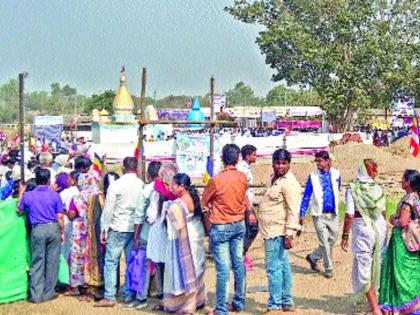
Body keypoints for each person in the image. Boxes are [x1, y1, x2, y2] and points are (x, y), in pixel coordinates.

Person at [202, 144, 248, 315]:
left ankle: (221, 308)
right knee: (238, 264)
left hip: (221, 225)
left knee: (223, 269)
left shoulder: (216, 180)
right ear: (238, 158)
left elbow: (204, 202)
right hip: (238, 223)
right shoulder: (242, 177)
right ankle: (238, 301)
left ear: (222, 159)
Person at [95, 157, 145, 307]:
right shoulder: (141, 185)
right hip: (134, 228)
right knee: (131, 262)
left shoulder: (116, 185)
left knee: (111, 262)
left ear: (124, 168)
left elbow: (108, 209)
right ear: (136, 168)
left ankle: (110, 296)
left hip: (117, 227)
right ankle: (129, 294)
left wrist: (104, 228)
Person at [257, 149, 302, 314]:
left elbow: (293, 210)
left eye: (283, 163)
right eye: (277, 163)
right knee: (282, 266)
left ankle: (275, 305)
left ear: (289, 163)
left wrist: (290, 234)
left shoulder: (289, 183)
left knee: (273, 268)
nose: (280, 166)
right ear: (273, 163)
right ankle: (286, 301)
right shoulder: (274, 179)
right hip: (270, 230)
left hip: (278, 231)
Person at [341, 160, 387, 315]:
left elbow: (349, 215)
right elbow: (384, 212)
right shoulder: (378, 188)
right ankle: (380, 303)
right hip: (380, 226)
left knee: (364, 266)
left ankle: (375, 308)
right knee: (379, 262)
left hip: (363, 228)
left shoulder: (353, 189)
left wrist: (345, 236)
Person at [158, 173, 206, 314]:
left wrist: (168, 209)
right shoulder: (193, 198)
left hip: (184, 237)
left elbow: (177, 225)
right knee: (195, 268)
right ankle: (196, 301)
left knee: (184, 270)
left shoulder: (177, 205)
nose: (171, 187)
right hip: (196, 233)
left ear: (182, 187)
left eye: (174, 185)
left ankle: (185, 304)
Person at [17, 168, 64, 303]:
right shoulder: (55, 195)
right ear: (49, 180)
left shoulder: (29, 196)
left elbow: (19, 211)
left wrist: (21, 192)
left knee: (37, 262)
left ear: (36, 180)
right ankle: (48, 293)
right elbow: (59, 216)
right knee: (52, 262)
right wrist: (61, 232)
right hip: (53, 227)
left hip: (37, 229)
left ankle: (36, 295)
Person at [379, 170, 420, 314]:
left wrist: (392, 219)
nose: (401, 180)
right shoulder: (417, 198)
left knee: (402, 275)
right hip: (415, 242)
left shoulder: (408, 200)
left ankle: (404, 306)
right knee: (414, 272)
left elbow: (403, 222)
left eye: (403, 178)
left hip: (404, 242)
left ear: (408, 181)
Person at [123, 161, 162, 310]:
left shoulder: (146, 190)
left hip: (147, 232)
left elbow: (139, 215)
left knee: (144, 264)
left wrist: (136, 235)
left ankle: (142, 296)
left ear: (148, 175)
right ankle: (161, 294)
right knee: (160, 264)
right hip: (163, 233)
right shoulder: (166, 189)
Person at [299, 151, 341, 279]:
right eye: (316, 161)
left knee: (332, 239)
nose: (318, 163)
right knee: (324, 242)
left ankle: (313, 257)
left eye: (320, 161)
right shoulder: (313, 176)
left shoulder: (336, 174)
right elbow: (307, 195)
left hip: (333, 214)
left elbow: (337, 189)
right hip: (319, 214)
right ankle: (329, 268)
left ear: (327, 161)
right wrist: (302, 213)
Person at [146, 163, 178, 303]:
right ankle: (171, 289)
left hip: (159, 229)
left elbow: (152, 214)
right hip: (173, 229)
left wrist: (148, 219)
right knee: (171, 261)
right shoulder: (177, 190)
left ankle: (161, 290)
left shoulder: (157, 191)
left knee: (159, 262)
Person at [237, 144, 258, 272]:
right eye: (254, 155)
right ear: (248, 155)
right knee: (252, 229)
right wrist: (249, 209)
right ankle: (239, 257)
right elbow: (242, 189)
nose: (256, 157)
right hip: (245, 204)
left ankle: (242, 255)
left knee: (248, 230)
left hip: (247, 203)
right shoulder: (242, 169)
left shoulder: (245, 167)